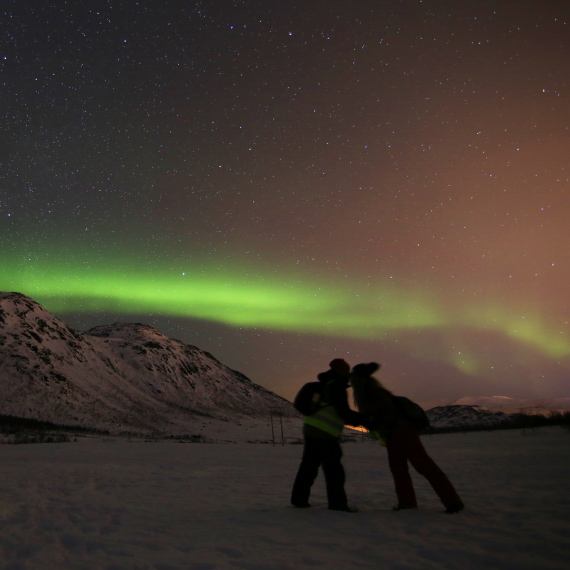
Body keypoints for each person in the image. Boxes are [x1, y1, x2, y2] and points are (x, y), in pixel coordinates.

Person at [351, 362, 464, 513]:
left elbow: (385, 414)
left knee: (422, 466)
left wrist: (372, 422)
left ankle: (452, 502)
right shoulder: (373, 391)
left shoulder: (372, 393)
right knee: (401, 469)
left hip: (400, 432)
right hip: (396, 434)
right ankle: (408, 503)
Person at [290, 358, 363, 512]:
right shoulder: (336, 387)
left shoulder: (315, 386)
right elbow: (343, 412)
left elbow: (301, 405)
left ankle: (299, 500)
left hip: (311, 431)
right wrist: (364, 420)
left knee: (308, 467)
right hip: (327, 434)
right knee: (334, 471)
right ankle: (337, 504)